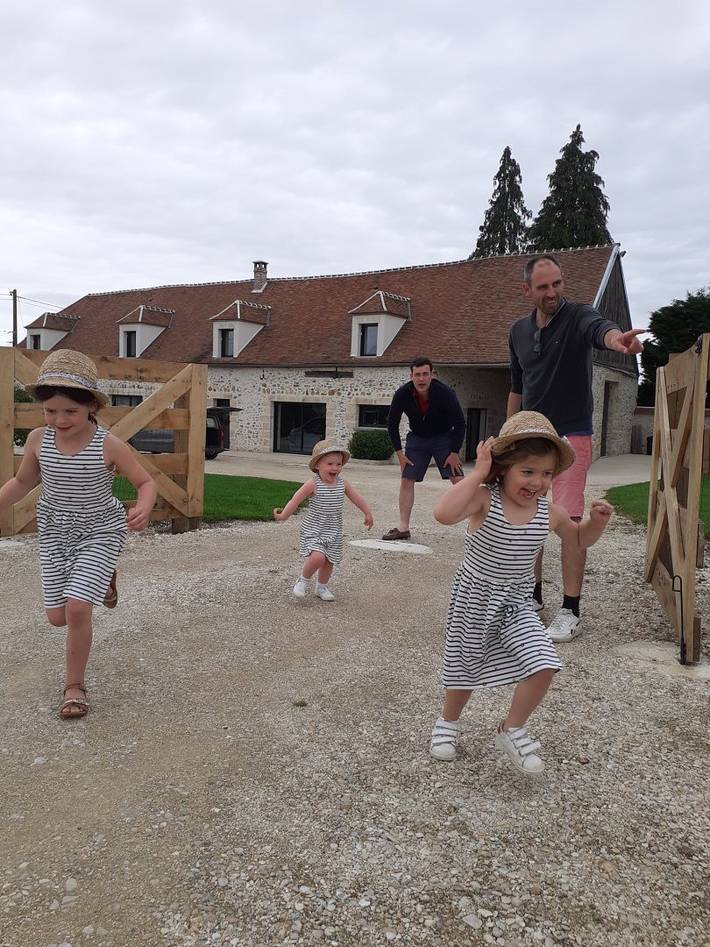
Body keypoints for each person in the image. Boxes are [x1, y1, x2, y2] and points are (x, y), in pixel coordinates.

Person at [428, 412, 613, 773]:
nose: (538, 482)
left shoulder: (549, 511)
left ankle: (511, 728)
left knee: (544, 663)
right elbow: (442, 514)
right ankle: (447, 723)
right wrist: (479, 474)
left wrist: (596, 523)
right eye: (527, 472)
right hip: (475, 600)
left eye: (546, 474)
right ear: (504, 469)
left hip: (516, 603)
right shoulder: (485, 499)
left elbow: (578, 539)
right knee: (463, 669)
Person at [0, 350, 157, 719]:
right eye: (50, 411)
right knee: (57, 617)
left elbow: (145, 481)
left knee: (76, 609)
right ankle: (101, 581)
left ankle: (74, 686)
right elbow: (22, 481)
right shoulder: (39, 440)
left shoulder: (108, 444)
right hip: (55, 533)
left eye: (69, 411)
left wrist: (144, 507)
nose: (59, 419)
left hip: (99, 532)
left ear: (90, 406)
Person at [507, 254, 643, 642]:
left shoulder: (579, 316)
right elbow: (516, 386)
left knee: (567, 521)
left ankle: (570, 609)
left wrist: (617, 341)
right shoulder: (517, 331)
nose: (552, 293)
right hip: (531, 435)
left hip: (571, 434)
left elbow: (600, 329)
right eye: (543, 287)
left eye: (557, 284)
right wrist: (507, 434)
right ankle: (529, 596)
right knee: (527, 518)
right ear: (527, 290)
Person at [273, 439, 373, 600]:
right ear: (317, 465)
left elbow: (357, 498)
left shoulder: (342, 484)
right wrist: (284, 515)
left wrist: (367, 512)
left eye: (338, 464)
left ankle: (322, 587)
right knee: (318, 557)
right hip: (314, 529)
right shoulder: (313, 484)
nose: (335, 468)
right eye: (330, 464)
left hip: (333, 529)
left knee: (329, 561)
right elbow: (295, 500)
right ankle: (303, 580)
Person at [382, 356, 466, 541]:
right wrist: (399, 453)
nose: (421, 379)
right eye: (417, 375)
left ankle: (483, 524)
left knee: (459, 480)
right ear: (411, 376)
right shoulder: (402, 394)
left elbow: (460, 423)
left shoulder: (445, 393)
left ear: (432, 374)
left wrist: (454, 452)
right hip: (417, 439)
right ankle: (403, 528)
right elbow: (392, 423)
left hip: (444, 438)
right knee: (406, 480)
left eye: (425, 374)